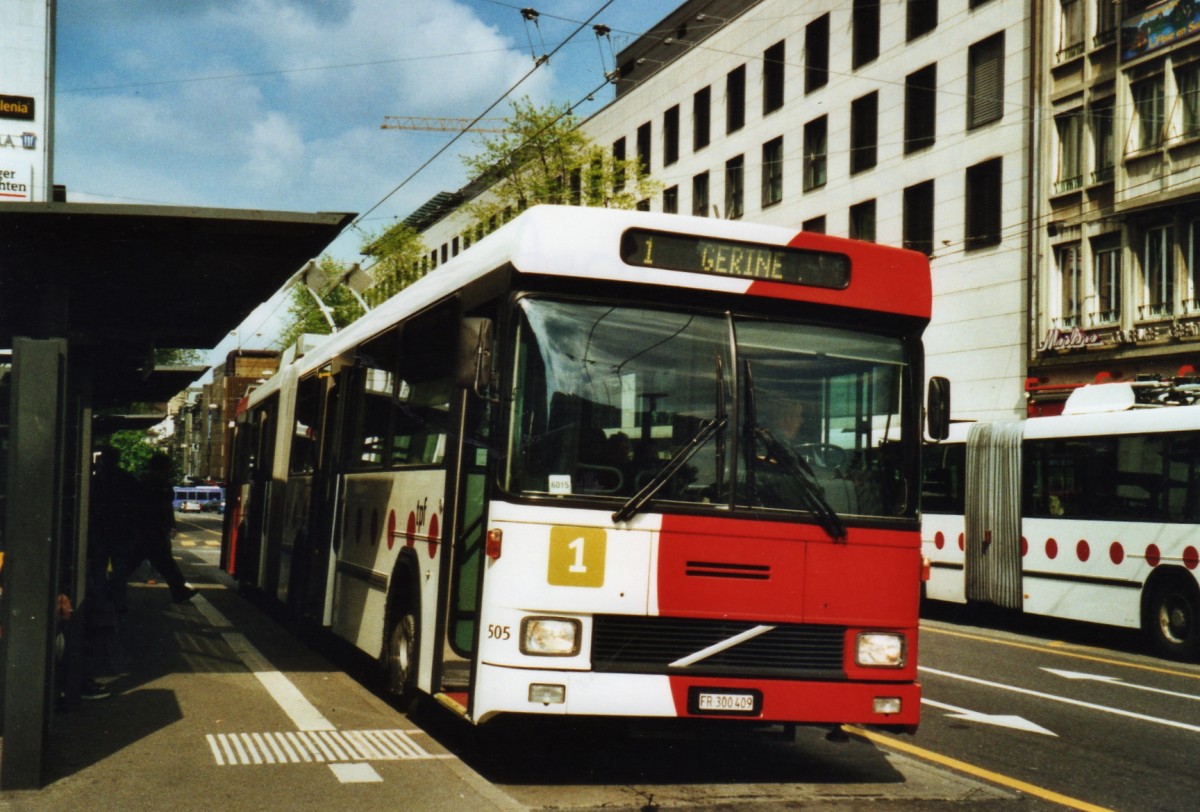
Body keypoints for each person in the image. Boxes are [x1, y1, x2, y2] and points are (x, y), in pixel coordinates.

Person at [128, 454, 197, 604]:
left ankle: (112, 586)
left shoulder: (143, 480)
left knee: (133, 561)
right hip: (155, 530)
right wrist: (171, 525)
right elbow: (165, 507)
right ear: (163, 467)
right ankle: (179, 590)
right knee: (165, 563)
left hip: (143, 528)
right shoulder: (161, 483)